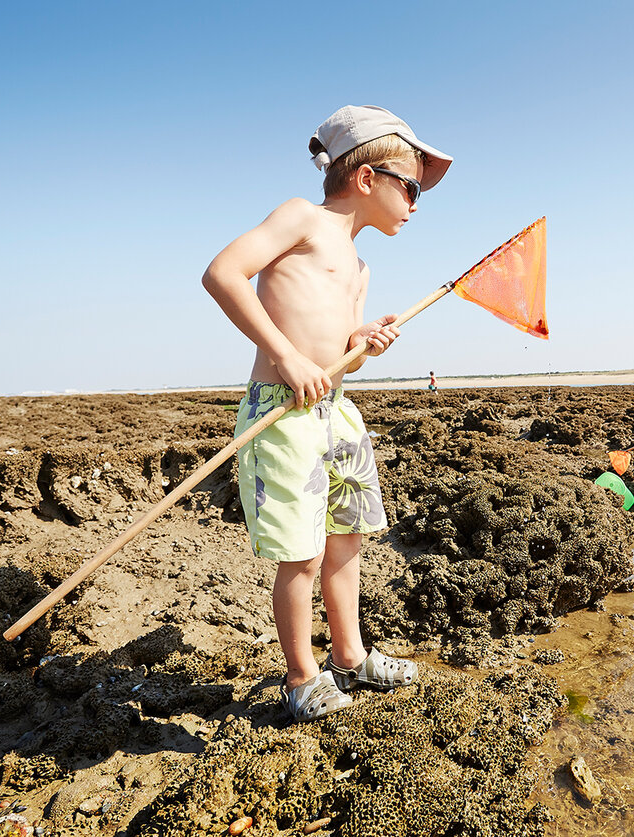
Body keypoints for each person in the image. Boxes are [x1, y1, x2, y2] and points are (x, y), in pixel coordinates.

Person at [201, 105, 452, 721]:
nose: (416, 203)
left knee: (347, 539)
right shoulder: (302, 218)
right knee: (303, 552)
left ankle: (349, 655)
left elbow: (343, 360)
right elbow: (223, 273)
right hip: (282, 411)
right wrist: (285, 356)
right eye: (412, 187)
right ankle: (301, 677)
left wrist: (362, 343)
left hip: (336, 411)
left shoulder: (361, 266)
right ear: (367, 178)